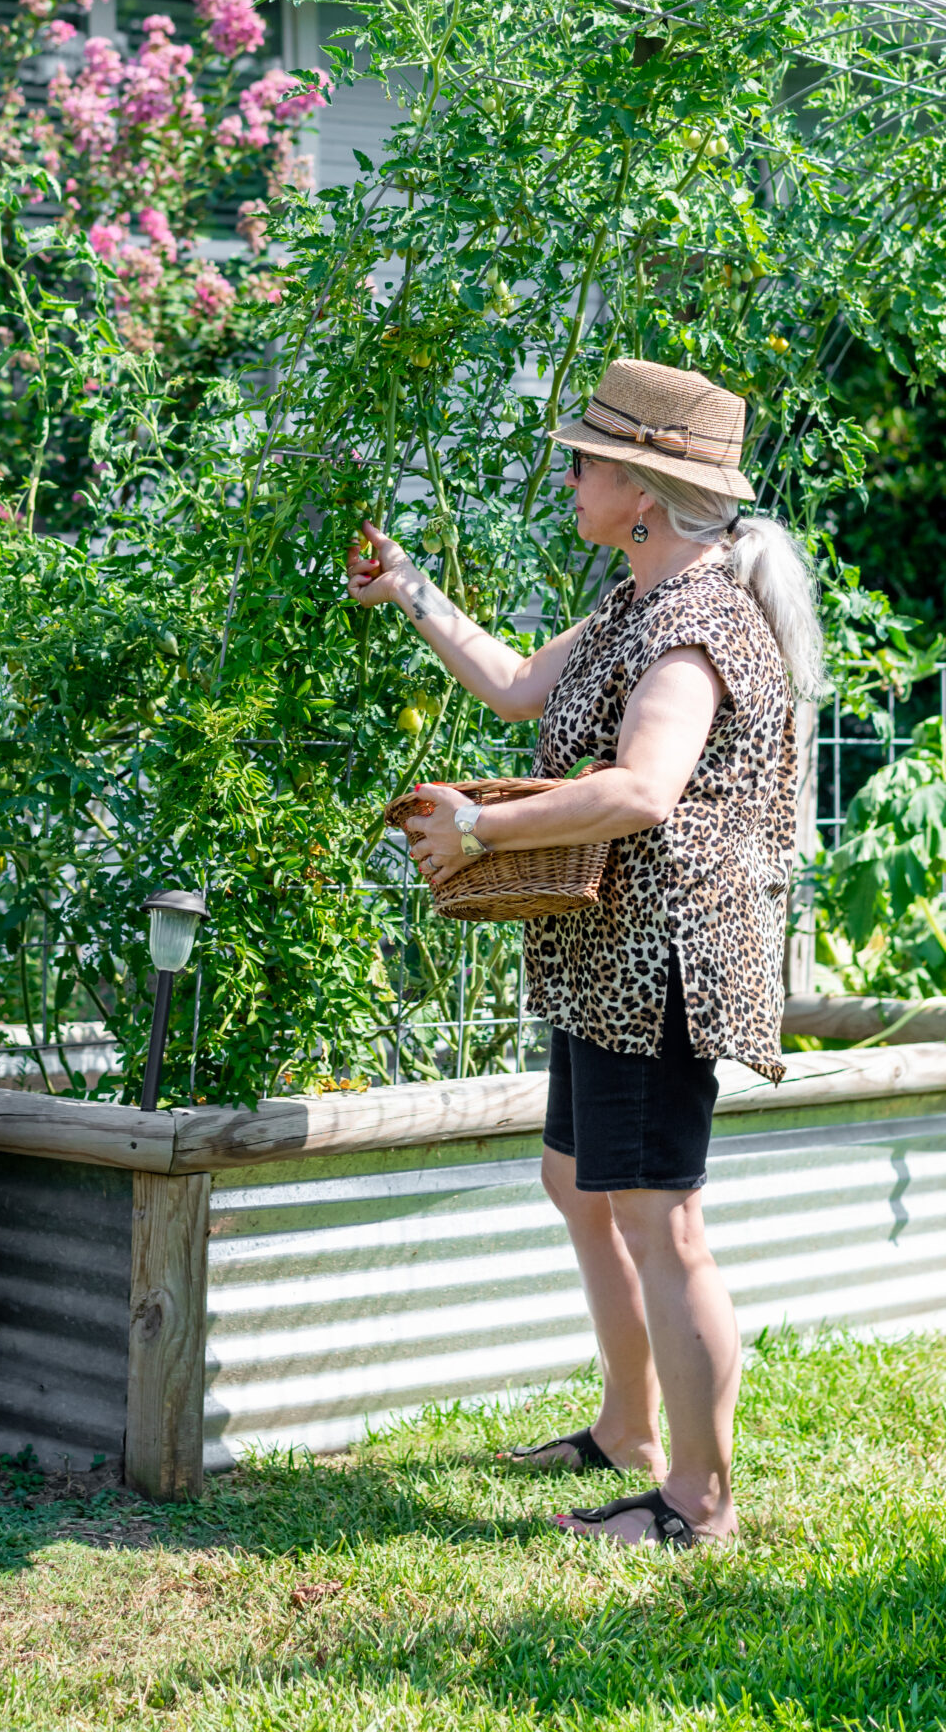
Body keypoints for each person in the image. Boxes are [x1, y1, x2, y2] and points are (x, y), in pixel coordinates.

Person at [346, 357, 821, 1549]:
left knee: (663, 1222)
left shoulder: (697, 623)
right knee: (577, 1182)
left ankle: (697, 1502)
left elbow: (642, 789)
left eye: (584, 460)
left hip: (663, 961)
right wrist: (409, 590)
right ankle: (624, 1429)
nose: (568, 475)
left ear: (645, 490)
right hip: (600, 951)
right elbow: (513, 688)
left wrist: (482, 827)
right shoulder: (633, 600)